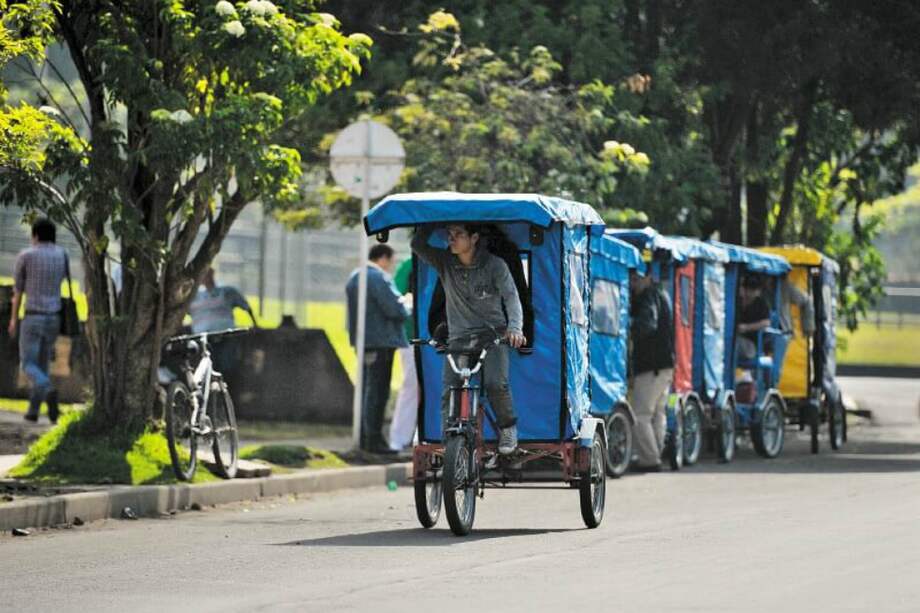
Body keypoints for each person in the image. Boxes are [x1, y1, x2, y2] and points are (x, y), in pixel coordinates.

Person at [411, 224, 525, 455]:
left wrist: (515, 328)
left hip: (492, 336)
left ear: (474, 238)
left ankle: (508, 429)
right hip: (459, 338)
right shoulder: (445, 262)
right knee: (450, 388)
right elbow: (417, 246)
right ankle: (450, 441)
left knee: (496, 384)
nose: (452, 240)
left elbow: (511, 297)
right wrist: (426, 222)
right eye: (449, 235)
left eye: (458, 235)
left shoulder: (494, 265)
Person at [346, 244, 412, 454]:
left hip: (364, 340)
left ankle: (367, 437)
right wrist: (407, 303)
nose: (391, 266)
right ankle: (373, 439)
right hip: (382, 341)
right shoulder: (377, 278)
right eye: (391, 261)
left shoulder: (355, 276)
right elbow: (395, 309)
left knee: (368, 389)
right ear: (383, 258)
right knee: (378, 391)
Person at [7, 218, 68, 424]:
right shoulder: (62, 255)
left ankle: (48, 390)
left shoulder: (26, 255)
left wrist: (14, 318)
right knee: (42, 364)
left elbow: (18, 291)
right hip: (54, 318)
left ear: (35, 235)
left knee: (28, 364)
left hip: (32, 316)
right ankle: (33, 411)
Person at [628, 269, 675, 471]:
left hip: (651, 365)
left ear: (647, 278)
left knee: (640, 415)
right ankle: (656, 454)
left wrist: (629, 328)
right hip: (665, 365)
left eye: (636, 279)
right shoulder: (662, 293)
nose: (632, 283)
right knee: (657, 414)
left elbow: (648, 323)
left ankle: (649, 459)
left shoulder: (648, 296)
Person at [188, 267, 257, 375]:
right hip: (202, 337)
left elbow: (246, 307)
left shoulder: (227, 291)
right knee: (207, 365)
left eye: (207, 274)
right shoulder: (193, 297)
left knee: (227, 364)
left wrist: (255, 324)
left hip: (225, 335)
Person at [387, 257, 418, 453]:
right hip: (413, 336)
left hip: (443, 335)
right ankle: (399, 438)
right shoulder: (409, 265)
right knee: (411, 385)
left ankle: (416, 437)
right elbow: (398, 297)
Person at [736, 276, 771, 361]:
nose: (749, 292)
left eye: (753, 290)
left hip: (751, 344)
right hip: (736, 337)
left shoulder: (761, 304)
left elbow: (766, 323)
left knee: (734, 343)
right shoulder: (737, 302)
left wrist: (746, 328)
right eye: (747, 288)